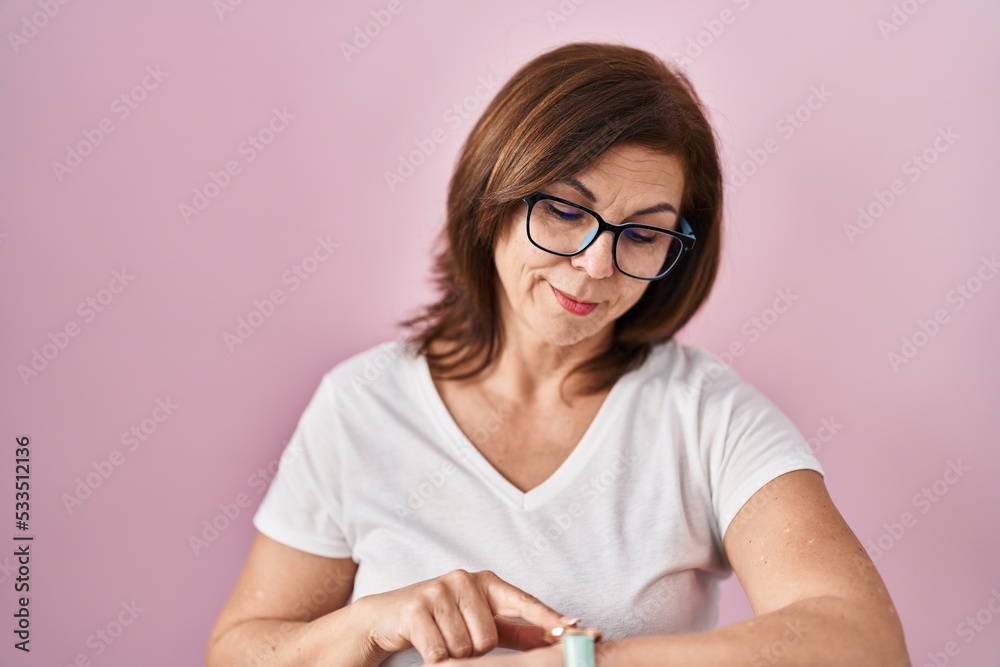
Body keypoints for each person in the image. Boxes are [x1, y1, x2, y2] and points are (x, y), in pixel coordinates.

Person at [205, 42, 910, 667]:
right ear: (493, 197)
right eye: (567, 211)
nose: (596, 264)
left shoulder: (708, 418)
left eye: (643, 234)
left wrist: (584, 663)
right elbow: (238, 653)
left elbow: (864, 643)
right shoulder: (359, 405)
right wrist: (370, 625)